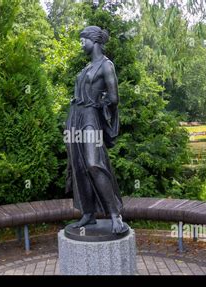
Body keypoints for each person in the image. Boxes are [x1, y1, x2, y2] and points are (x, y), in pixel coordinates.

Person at [65, 26, 126, 234]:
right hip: (75, 117)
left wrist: (100, 106)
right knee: (79, 166)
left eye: (83, 40)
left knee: (93, 163)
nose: (81, 44)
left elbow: (114, 97)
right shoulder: (86, 68)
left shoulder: (106, 66)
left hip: (90, 116)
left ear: (94, 41)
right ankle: (88, 213)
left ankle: (115, 214)